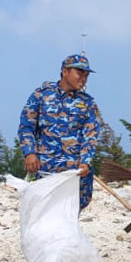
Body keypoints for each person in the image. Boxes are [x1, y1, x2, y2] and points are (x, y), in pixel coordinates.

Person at [17, 54, 101, 211]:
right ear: (65, 71)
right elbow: (26, 126)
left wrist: (85, 161)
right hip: (46, 169)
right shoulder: (42, 95)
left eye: (86, 75)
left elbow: (91, 135)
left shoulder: (87, 103)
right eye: (79, 73)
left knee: (69, 216)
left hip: (75, 173)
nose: (83, 78)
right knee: (42, 214)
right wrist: (29, 153)